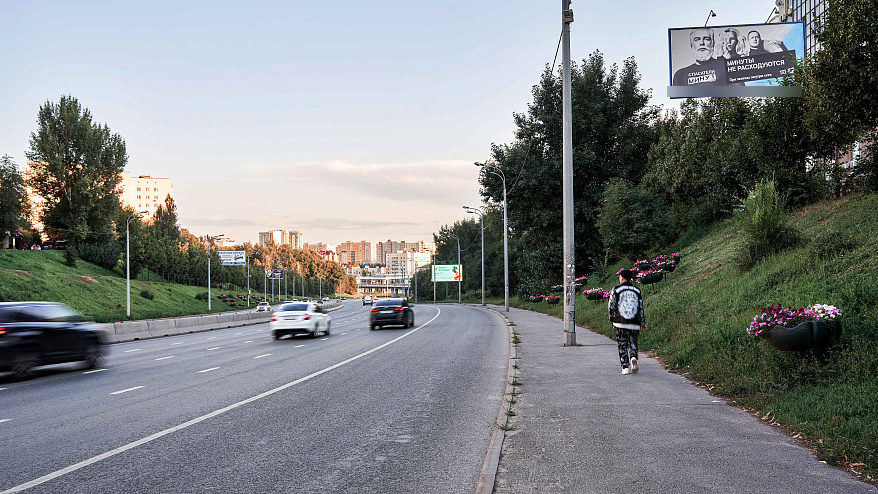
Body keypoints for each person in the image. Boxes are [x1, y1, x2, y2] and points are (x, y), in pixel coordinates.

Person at [608, 269, 646, 375]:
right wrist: (642, 322)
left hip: (620, 321)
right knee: (633, 341)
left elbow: (612, 305)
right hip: (634, 322)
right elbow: (640, 307)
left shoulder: (616, 289)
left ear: (622, 277)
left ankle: (625, 367)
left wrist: (611, 319)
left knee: (622, 343)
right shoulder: (637, 290)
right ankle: (633, 357)